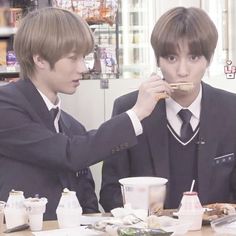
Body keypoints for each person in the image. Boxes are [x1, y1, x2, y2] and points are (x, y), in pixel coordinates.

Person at [0, 7, 170, 220]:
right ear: (40, 59)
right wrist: (136, 113)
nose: (83, 67)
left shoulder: (72, 126)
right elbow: (68, 154)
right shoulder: (5, 107)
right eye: (73, 58)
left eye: (84, 57)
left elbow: (87, 201)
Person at [100, 6, 236, 212]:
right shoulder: (128, 108)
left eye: (194, 58)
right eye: (172, 58)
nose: (182, 71)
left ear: (208, 59)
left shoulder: (231, 109)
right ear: (158, 60)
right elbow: (110, 193)